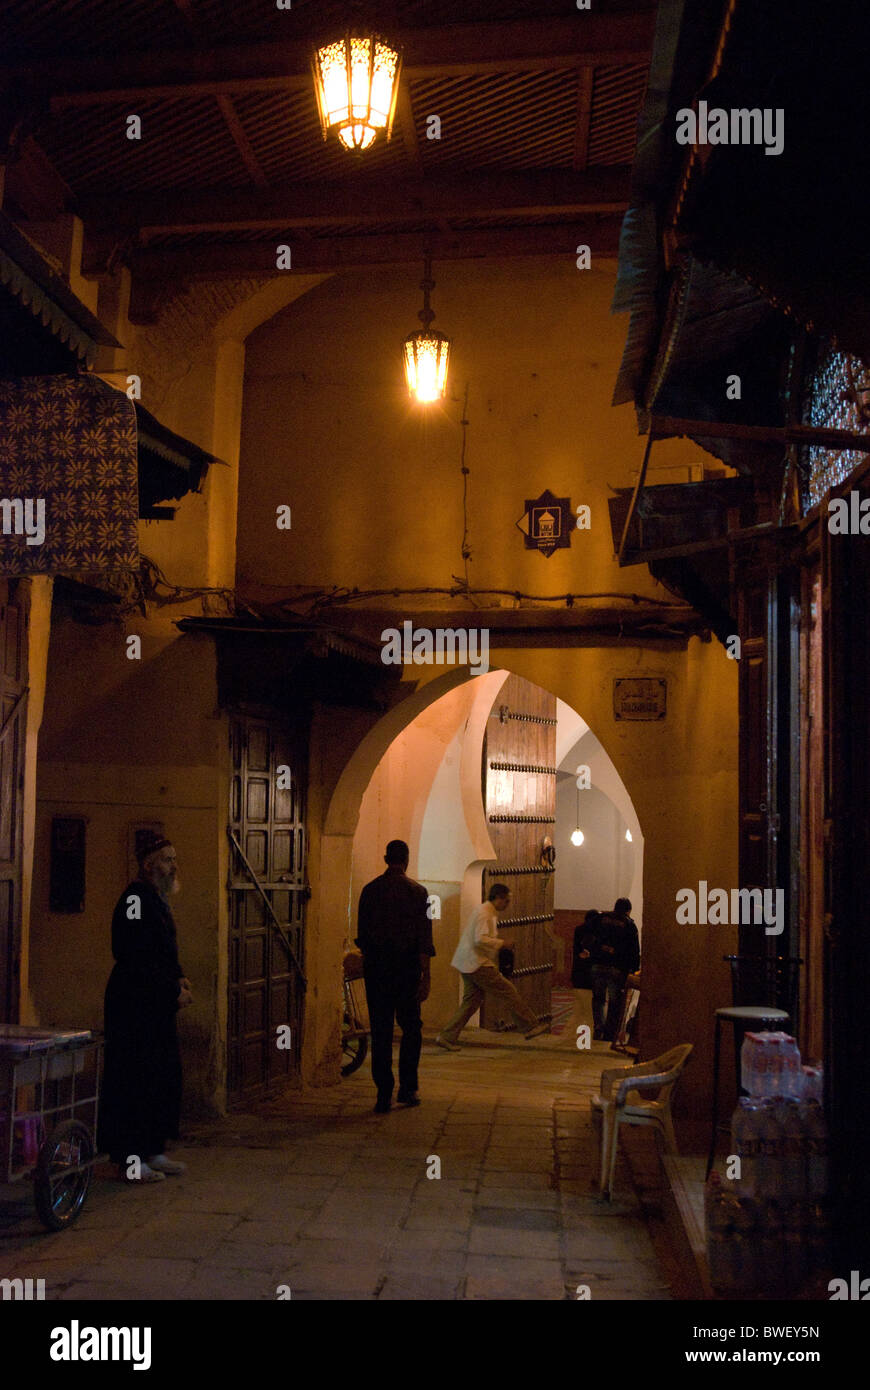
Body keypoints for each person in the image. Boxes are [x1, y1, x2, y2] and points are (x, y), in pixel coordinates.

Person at [97, 833, 192, 1182]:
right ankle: (132, 1160)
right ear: (149, 865)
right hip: (134, 1006)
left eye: (174, 858)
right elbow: (135, 955)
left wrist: (179, 980)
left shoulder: (155, 899)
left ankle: (153, 1149)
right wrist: (170, 989)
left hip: (155, 1005)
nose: (173, 865)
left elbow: (163, 950)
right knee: (134, 1081)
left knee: (159, 1078)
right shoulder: (135, 900)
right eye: (167, 859)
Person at [356, 839, 434, 1113]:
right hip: (407, 973)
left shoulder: (369, 891)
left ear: (385, 857)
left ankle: (383, 1093)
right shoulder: (419, 892)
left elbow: (362, 937)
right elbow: (425, 940)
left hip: (377, 973)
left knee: (381, 1031)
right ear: (407, 859)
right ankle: (408, 1089)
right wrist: (426, 977)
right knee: (411, 1029)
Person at [435, 883, 549, 1049]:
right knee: (508, 990)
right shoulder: (485, 912)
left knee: (471, 1002)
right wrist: (503, 943)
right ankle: (529, 1026)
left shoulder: (487, 911)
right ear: (497, 898)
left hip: (468, 962)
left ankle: (447, 1036)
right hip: (476, 963)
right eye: (506, 901)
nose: (507, 904)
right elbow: (479, 939)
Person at [589, 899, 641, 1041]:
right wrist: (634, 970)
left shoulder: (600, 918)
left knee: (598, 999)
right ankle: (609, 1033)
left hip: (598, 964)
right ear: (628, 910)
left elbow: (590, 938)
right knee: (614, 1002)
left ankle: (599, 1027)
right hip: (617, 968)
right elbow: (634, 950)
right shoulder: (629, 925)